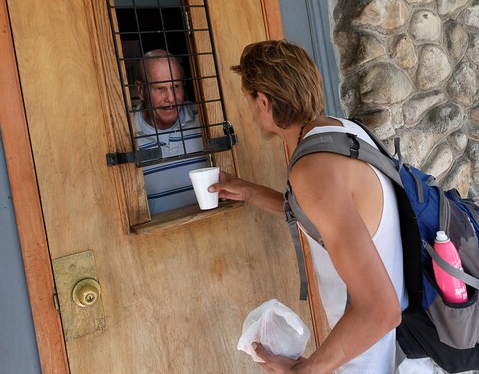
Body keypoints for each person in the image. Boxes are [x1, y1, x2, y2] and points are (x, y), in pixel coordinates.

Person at [210, 40, 433, 373]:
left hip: (382, 361)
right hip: (407, 349)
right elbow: (327, 219)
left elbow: (380, 310)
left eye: (249, 99)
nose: (250, 110)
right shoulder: (344, 133)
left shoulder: (313, 169)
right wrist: (249, 192)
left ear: (264, 101)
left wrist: (303, 371)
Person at [134, 49, 209, 214]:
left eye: (176, 86)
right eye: (160, 89)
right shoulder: (125, 133)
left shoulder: (207, 119)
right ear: (141, 91)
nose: (171, 98)